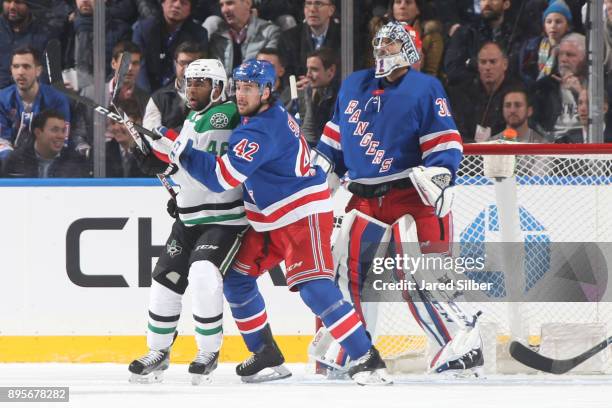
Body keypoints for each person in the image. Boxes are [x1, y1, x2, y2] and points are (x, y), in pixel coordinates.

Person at [168, 59, 391, 385]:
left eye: (249, 88)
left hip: (303, 216)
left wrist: (181, 152)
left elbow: (221, 177)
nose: (241, 94)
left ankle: (367, 358)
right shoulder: (252, 117)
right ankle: (265, 353)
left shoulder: (262, 128)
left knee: (315, 289)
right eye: (239, 87)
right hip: (268, 219)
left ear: (267, 91)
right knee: (236, 279)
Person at [314, 21, 483, 377]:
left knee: (423, 276)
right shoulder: (353, 85)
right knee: (346, 275)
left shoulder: (425, 87)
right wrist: (321, 173)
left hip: (412, 195)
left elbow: (444, 140)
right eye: (378, 43)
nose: (381, 50)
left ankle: (460, 344)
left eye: (391, 44)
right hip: (363, 197)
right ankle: (354, 350)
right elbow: (334, 140)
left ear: (410, 48)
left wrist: (441, 174)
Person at [127, 59, 247, 384]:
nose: (192, 89)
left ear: (218, 87)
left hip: (223, 219)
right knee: (165, 280)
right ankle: (159, 351)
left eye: (200, 83)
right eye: (189, 82)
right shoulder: (193, 118)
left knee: (204, 274)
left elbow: (202, 163)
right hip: (190, 218)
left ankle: (207, 352)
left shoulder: (227, 115)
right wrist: (159, 165)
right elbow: (182, 165)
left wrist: (163, 149)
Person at [0, 47, 71, 161]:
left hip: (47, 162)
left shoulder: (57, 99)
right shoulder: (2, 99)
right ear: (11, 70)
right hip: (11, 164)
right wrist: (13, 160)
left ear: (38, 71)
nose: (20, 72)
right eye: (16, 66)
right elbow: (1, 140)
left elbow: (61, 140)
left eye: (26, 66)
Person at [448, 41, 523, 142]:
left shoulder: (517, 94)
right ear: (478, 65)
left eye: (493, 62)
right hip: (471, 153)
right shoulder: (464, 93)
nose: (487, 67)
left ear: (505, 64)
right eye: (483, 62)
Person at [133, 0, 209, 92]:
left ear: (190, 10)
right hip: (147, 93)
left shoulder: (199, 34)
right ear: (163, 3)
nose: (177, 5)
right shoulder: (143, 29)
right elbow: (140, 69)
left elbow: (197, 72)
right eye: (173, 0)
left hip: (181, 93)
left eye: (183, 3)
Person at [530, 33, 586, 142]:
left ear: (584, 58)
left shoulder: (598, 85)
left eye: (570, 55)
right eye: (561, 54)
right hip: (553, 146)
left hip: (588, 143)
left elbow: (603, 119)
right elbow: (534, 123)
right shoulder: (544, 87)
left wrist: (580, 92)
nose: (563, 59)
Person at [2, 109, 88, 177]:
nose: (61, 136)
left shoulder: (75, 162)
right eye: (55, 130)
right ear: (38, 132)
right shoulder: (15, 160)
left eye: (63, 131)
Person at [143, 41, 206, 132]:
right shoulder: (159, 98)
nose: (187, 68)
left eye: (193, 64)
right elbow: (151, 134)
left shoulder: (213, 96)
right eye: (182, 63)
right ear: (175, 64)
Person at [205, 0, 280, 73]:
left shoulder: (269, 33)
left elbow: (270, 71)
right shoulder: (217, 34)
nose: (224, 10)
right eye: (221, 5)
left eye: (230, 3)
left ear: (247, 3)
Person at [517, 0, 573, 87]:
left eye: (558, 22)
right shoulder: (531, 46)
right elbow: (524, 72)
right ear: (544, 25)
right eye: (549, 22)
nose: (553, 26)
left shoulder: (573, 48)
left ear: (568, 26)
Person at [279, 0, 340, 78]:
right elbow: (287, 75)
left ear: (331, 10)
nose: (312, 9)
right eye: (308, 3)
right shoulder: (289, 38)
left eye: (318, 3)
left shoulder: (345, 37)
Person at [297, 47, 339, 146]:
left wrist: (309, 99)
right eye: (307, 69)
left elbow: (311, 135)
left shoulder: (338, 96)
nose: (308, 75)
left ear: (331, 71)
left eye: (314, 70)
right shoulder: (310, 91)